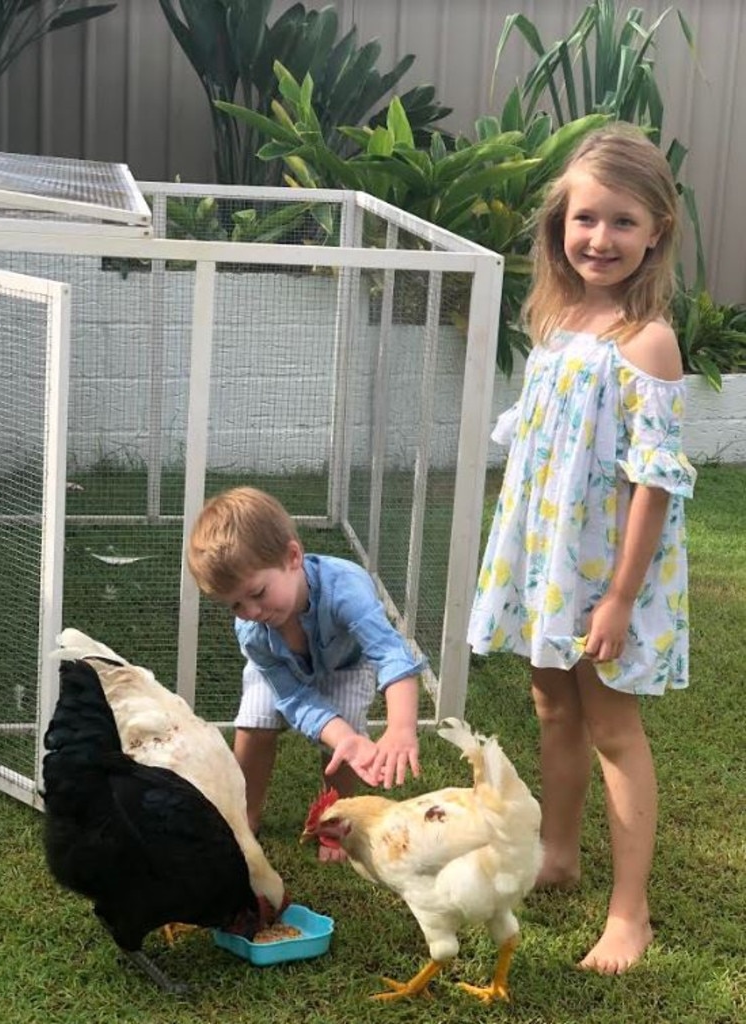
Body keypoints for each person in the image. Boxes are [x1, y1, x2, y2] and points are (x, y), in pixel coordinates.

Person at [467, 124, 696, 974]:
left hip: (603, 573)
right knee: (551, 708)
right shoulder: (558, 320)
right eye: (585, 218)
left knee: (611, 727)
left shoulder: (647, 341)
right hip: (546, 564)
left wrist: (620, 597)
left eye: (623, 222)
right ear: (561, 222)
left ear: (657, 231)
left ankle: (629, 915)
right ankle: (557, 854)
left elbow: (654, 482)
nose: (600, 239)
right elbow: (539, 452)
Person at [187, 486, 422, 861]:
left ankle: (339, 824)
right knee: (254, 721)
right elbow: (294, 698)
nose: (252, 611)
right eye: (235, 605)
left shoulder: (346, 590)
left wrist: (400, 728)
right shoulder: (253, 631)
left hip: (347, 664)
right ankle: (244, 815)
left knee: (344, 752)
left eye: (258, 593)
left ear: (292, 556)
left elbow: (392, 654)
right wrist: (339, 732)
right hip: (285, 672)